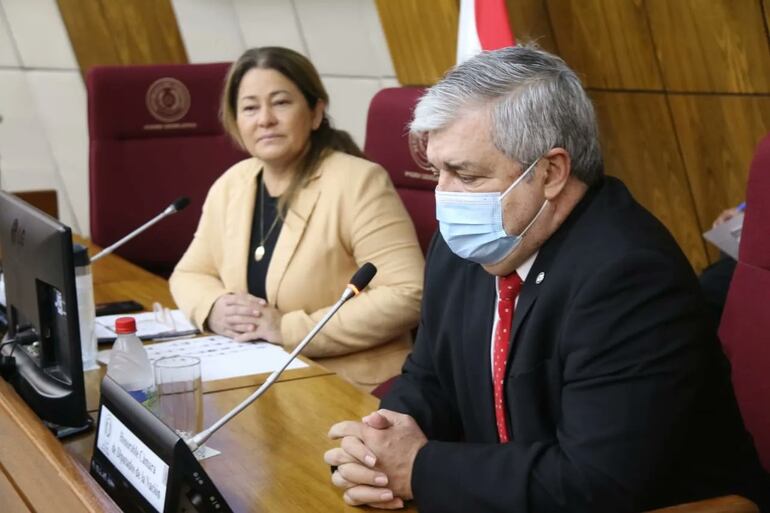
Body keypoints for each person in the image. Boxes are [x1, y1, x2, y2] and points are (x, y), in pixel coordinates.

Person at [324, 46, 770, 512]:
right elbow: (431, 376)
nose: (444, 199)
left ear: (552, 172)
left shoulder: (628, 276)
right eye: (437, 172)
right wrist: (380, 443)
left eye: (465, 175)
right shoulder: (464, 246)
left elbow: (592, 483)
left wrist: (417, 468)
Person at [169, 47, 424, 390]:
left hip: (343, 382)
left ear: (316, 112)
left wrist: (286, 329)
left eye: (281, 103)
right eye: (249, 107)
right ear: (235, 122)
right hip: (256, 377)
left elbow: (409, 292)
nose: (265, 119)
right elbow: (189, 273)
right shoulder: (233, 184)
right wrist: (213, 307)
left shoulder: (357, 182)